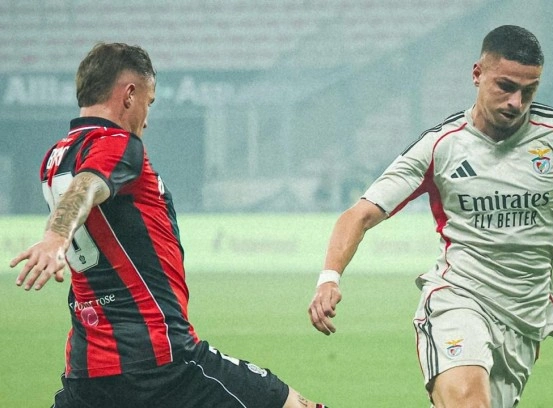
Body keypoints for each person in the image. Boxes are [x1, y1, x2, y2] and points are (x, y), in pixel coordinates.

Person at [308, 25, 553, 408]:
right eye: (505, 86)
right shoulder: (440, 146)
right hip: (457, 298)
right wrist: (329, 278)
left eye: (529, 91)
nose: (516, 102)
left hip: (525, 316)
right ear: (477, 74)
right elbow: (359, 214)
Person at [10, 42, 329, 408]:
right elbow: (87, 185)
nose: (146, 118)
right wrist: (55, 236)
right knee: (289, 404)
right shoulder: (116, 142)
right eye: (149, 101)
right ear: (129, 95)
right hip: (158, 359)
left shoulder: (55, 157)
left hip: (88, 369)